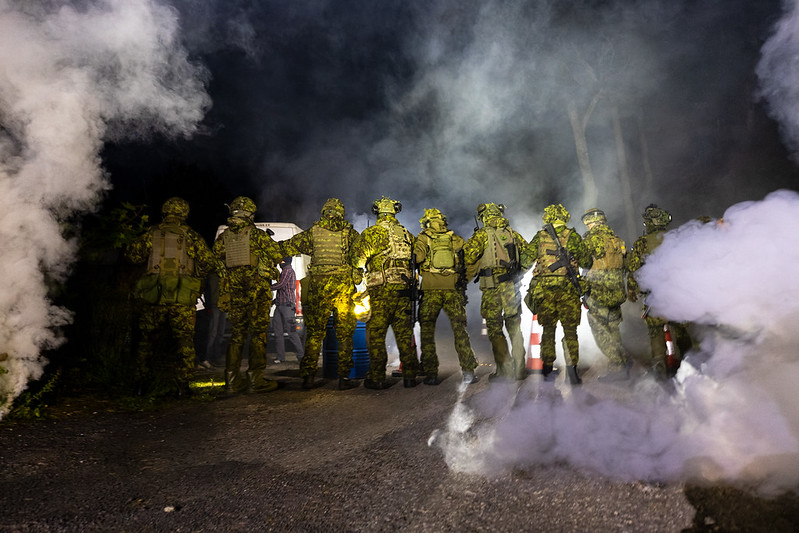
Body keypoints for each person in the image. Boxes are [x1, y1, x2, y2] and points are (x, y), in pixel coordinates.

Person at [126, 197, 216, 397]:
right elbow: (208, 263)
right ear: (184, 213)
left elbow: (133, 255)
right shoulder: (191, 236)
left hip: (154, 297)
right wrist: (195, 276)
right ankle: (182, 387)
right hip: (182, 297)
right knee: (184, 343)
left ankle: (140, 386)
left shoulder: (152, 233)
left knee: (146, 342)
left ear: (165, 212)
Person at [279, 198, 361, 390]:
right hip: (343, 288)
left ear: (325, 212)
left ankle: (308, 377)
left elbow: (286, 247)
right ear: (341, 213)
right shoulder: (350, 234)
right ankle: (343, 379)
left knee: (315, 334)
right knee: (345, 334)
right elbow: (359, 257)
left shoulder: (313, 232)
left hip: (319, 287)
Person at [213, 196, 284, 394]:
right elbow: (277, 255)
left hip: (235, 293)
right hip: (257, 292)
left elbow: (214, 261)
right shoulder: (257, 235)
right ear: (250, 215)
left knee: (237, 335)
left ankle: (231, 380)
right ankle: (255, 380)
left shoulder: (223, 237)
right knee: (258, 335)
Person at [352, 196, 419, 389]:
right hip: (404, 292)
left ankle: (377, 377)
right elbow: (417, 259)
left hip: (381, 291)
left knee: (376, 335)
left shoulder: (371, 233)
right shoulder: (407, 234)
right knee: (404, 334)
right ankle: (410, 376)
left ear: (378, 212)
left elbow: (357, 261)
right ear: (394, 212)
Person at [523, 203, 592, 385]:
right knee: (570, 332)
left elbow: (525, 260)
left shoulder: (540, 237)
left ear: (548, 217)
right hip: (568, 292)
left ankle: (547, 369)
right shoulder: (574, 237)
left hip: (546, 292)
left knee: (548, 330)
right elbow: (587, 262)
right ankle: (572, 372)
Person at [626, 204, 692, 379]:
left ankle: (660, 367)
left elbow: (633, 269)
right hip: (677, 294)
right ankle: (689, 363)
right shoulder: (675, 238)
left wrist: (632, 290)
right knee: (681, 330)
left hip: (653, 296)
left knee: (656, 332)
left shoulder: (642, 243)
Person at [463, 202, 527, 380]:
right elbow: (529, 254)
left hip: (492, 288)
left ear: (484, 217)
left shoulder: (482, 234)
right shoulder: (513, 234)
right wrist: (518, 272)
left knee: (494, 328)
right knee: (514, 326)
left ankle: (504, 371)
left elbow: (468, 257)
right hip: (512, 287)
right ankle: (520, 369)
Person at [414, 208, 479, 385]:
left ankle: (431, 374)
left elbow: (417, 258)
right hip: (453, 289)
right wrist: (462, 281)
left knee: (427, 331)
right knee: (460, 331)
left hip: (430, 289)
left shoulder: (423, 238)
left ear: (427, 222)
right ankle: (468, 372)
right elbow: (471, 262)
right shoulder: (456, 239)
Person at [580, 208, 632, 381]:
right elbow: (627, 265)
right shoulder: (617, 240)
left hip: (598, 293)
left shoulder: (589, 241)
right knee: (613, 328)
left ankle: (618, 366)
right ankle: (622, 361)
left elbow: (582, 263)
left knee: (600, 331)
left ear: (590, 223)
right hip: (616, 291)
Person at [270, 257, 305, 365]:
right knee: (278, 332)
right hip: (280, 305)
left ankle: (301, 356)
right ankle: (281, 357)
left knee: (291, 332)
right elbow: (283, 291)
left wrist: (267, 287)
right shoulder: (286, 270)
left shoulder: (287, 270)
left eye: (281, 261)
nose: (279, 263)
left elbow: (281, 285)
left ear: (285, 261)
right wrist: (274, 301)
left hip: (287, 306)